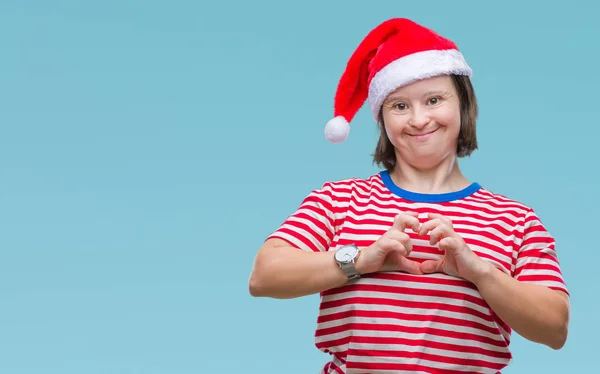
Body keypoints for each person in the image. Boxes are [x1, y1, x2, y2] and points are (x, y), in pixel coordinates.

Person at [248, 18, 570, 374]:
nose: (418, 120)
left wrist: (480, 272)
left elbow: (554, 328)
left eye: (434, 100)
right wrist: (361, 259)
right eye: (399, 106)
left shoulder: (514, 219)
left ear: (463, 104)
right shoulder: (339, 199)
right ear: (382, 118)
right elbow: (264, 275)